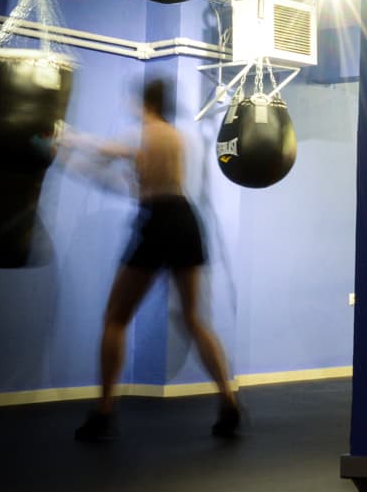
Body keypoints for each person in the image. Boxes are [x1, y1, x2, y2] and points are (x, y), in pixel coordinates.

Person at [67, 78, 241, 441]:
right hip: (185, 219)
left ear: (143, 103)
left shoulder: (144, 134)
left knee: (115, 317)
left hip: (158, 221)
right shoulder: (178, 138)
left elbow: (107, 153)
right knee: (193, 318)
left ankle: (104, 410)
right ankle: (228, 400)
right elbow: (137, 177)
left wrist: (66, 142)